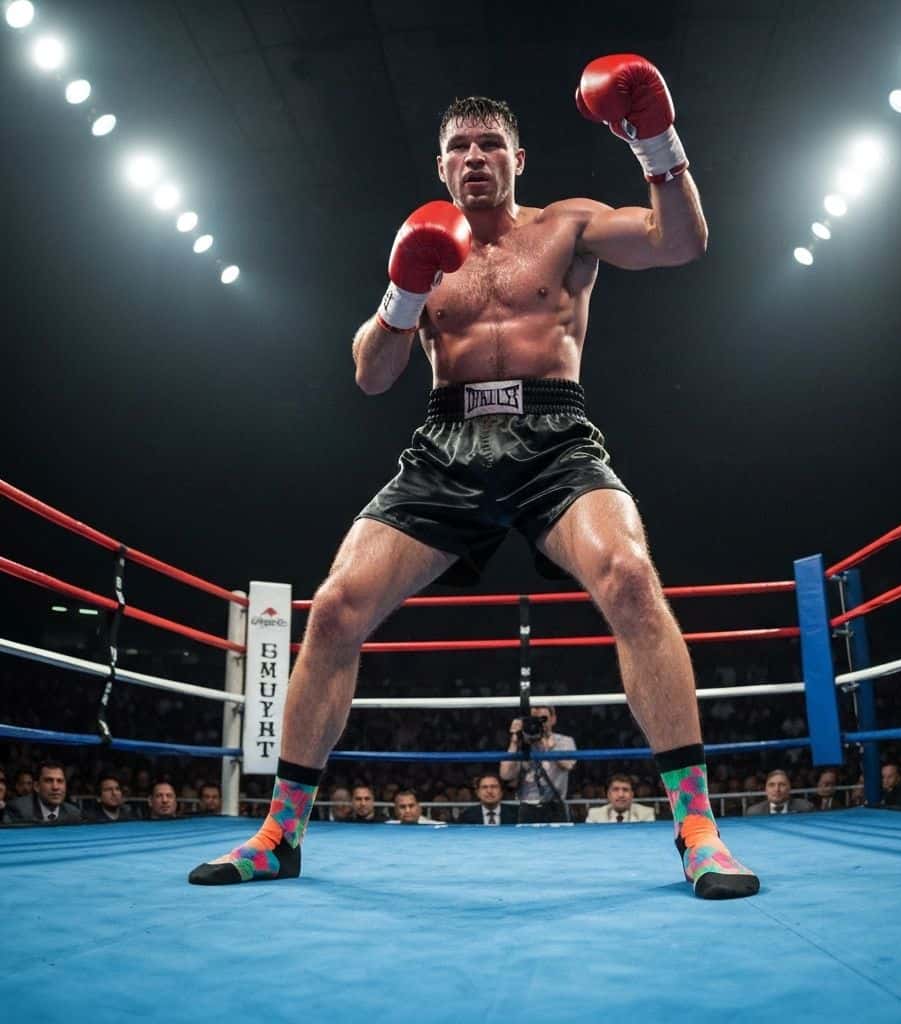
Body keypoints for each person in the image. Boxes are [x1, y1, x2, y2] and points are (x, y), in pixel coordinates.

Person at [190, 55, 758, 899]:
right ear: (442, 165)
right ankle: (278, 833)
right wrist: (403, 294)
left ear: (518, 160)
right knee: (338, 603)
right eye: (460, 147)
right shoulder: (421, 248)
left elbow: (681, 242)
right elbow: (371, 375)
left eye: (491, 143)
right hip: (446, 442)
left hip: (554, 434)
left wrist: (655, 140)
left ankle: (699, 828)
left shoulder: (567, 225)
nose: (476, 158)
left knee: (631, 576)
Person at [500, 706, 577, 821]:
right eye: (534, 719)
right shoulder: (522, 743)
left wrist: (552, 749)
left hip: (555, 804)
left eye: (543, 718)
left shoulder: (564, 741)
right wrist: (514, 742)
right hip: (527, 805)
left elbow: (568, 765)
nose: (539, 722)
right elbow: (505, 775)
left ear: (553, 719)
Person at [3, 760, 82, 824]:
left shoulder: (73, 813)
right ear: (36, 786)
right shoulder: (19, 810)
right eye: (48, 781)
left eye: (60, 781)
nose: (55, 787)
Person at [586, 774, 656, 823]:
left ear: (632, 794)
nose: (621, 795)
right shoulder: (594, 815)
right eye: (615, 789)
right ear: (608, 794)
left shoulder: (646, 813)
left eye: (625, 790)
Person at [745, 770, 814, 816]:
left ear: (789, 788)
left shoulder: (806, 808)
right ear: (766, 789)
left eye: (782, 785)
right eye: (771, 785)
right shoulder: (754, 813)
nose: (777, 789)